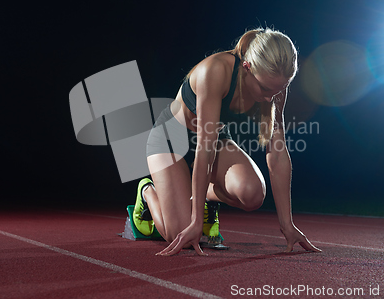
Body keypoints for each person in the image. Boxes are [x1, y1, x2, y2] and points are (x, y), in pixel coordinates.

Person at [133, 27, 321, 256]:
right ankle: (148, 192)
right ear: (247, 68)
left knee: (252, 193)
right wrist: (195, 223)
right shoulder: (216, 71)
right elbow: (204, 150)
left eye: (279, 90)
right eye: (264, 89)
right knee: (180, 232)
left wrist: (287, 224)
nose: (270, 98)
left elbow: (278, 153)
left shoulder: (274, 84)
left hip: (215, 137)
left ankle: (206, 199)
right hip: (171, 139)